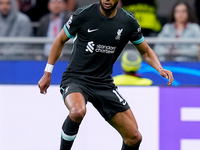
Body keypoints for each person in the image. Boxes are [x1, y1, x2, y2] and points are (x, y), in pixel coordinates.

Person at [38, 0, 174, 150]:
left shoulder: (128, 21)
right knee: (77, 111)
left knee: (134, 137)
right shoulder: (84, 14)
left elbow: (146, 51)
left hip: (103, 84)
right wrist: (47, 72)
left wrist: (159, 68)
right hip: (76, 79)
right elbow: (60, 40)